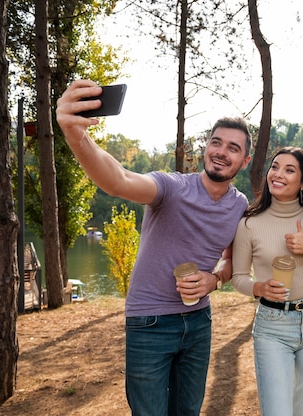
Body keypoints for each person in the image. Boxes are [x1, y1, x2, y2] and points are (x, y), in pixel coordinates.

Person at [56, 79, 252, 415]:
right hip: (150, 323)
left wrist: (214, 281)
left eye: (233, 148)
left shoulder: (239, 205)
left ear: (245, 161)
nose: (221, 151)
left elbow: (232, 262)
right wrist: (77, 135)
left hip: (198, 322)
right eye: (216, 142)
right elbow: (118, 180)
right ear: (205, 148)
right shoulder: (171, 187)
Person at [231, 147, 303, 416]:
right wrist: (259, 288)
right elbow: (238, 277)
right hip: (272, 328)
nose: (278, 174)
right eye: (275, 167)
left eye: (289, 170)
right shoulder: (249, 223)